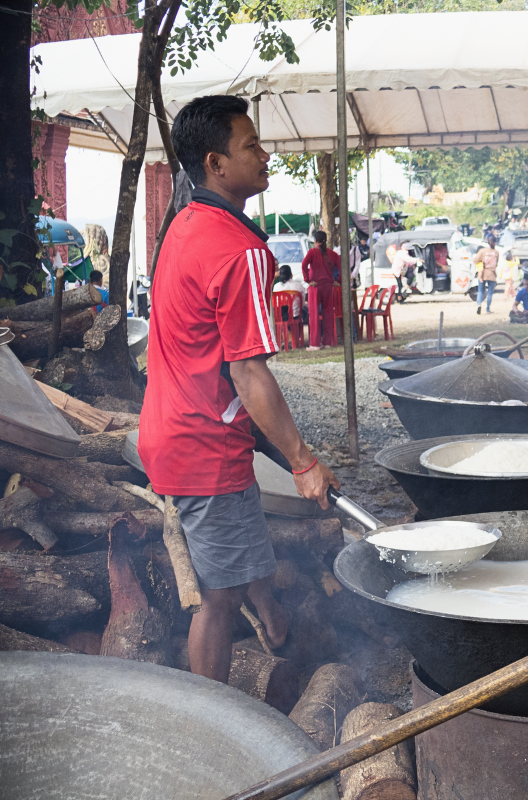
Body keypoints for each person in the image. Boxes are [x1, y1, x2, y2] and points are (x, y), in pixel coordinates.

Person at [138, 95, 340, 686]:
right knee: (218, 597)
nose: (264, 153)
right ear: (216, 163)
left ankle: (274, 623)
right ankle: (213, 716)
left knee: (239, 536)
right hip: (201, 444)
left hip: (173, 426)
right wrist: (303, 462)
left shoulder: (185, 224)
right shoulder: (240, 249)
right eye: (251, 145)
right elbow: (249, 373)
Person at [301, 231, 338, 350]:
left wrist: (307, 279)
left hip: (315, 286)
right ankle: (328, 342)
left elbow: (304, 265)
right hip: (328, 286)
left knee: (314, 314)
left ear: (315, 241)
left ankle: (315, 344)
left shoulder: (312, 252)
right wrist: (338, 281)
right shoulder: (332, 253)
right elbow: (341, 265)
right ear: (325, 240)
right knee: (328, 314)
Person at [473, 243, 499, 315]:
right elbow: (496, 263)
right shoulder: (496, 252)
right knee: (490, 292)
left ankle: (479, 304)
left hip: (483, 274)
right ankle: (487, 309)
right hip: (492, 274)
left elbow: (475, 260)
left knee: (480, 291)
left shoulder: (482, 252)